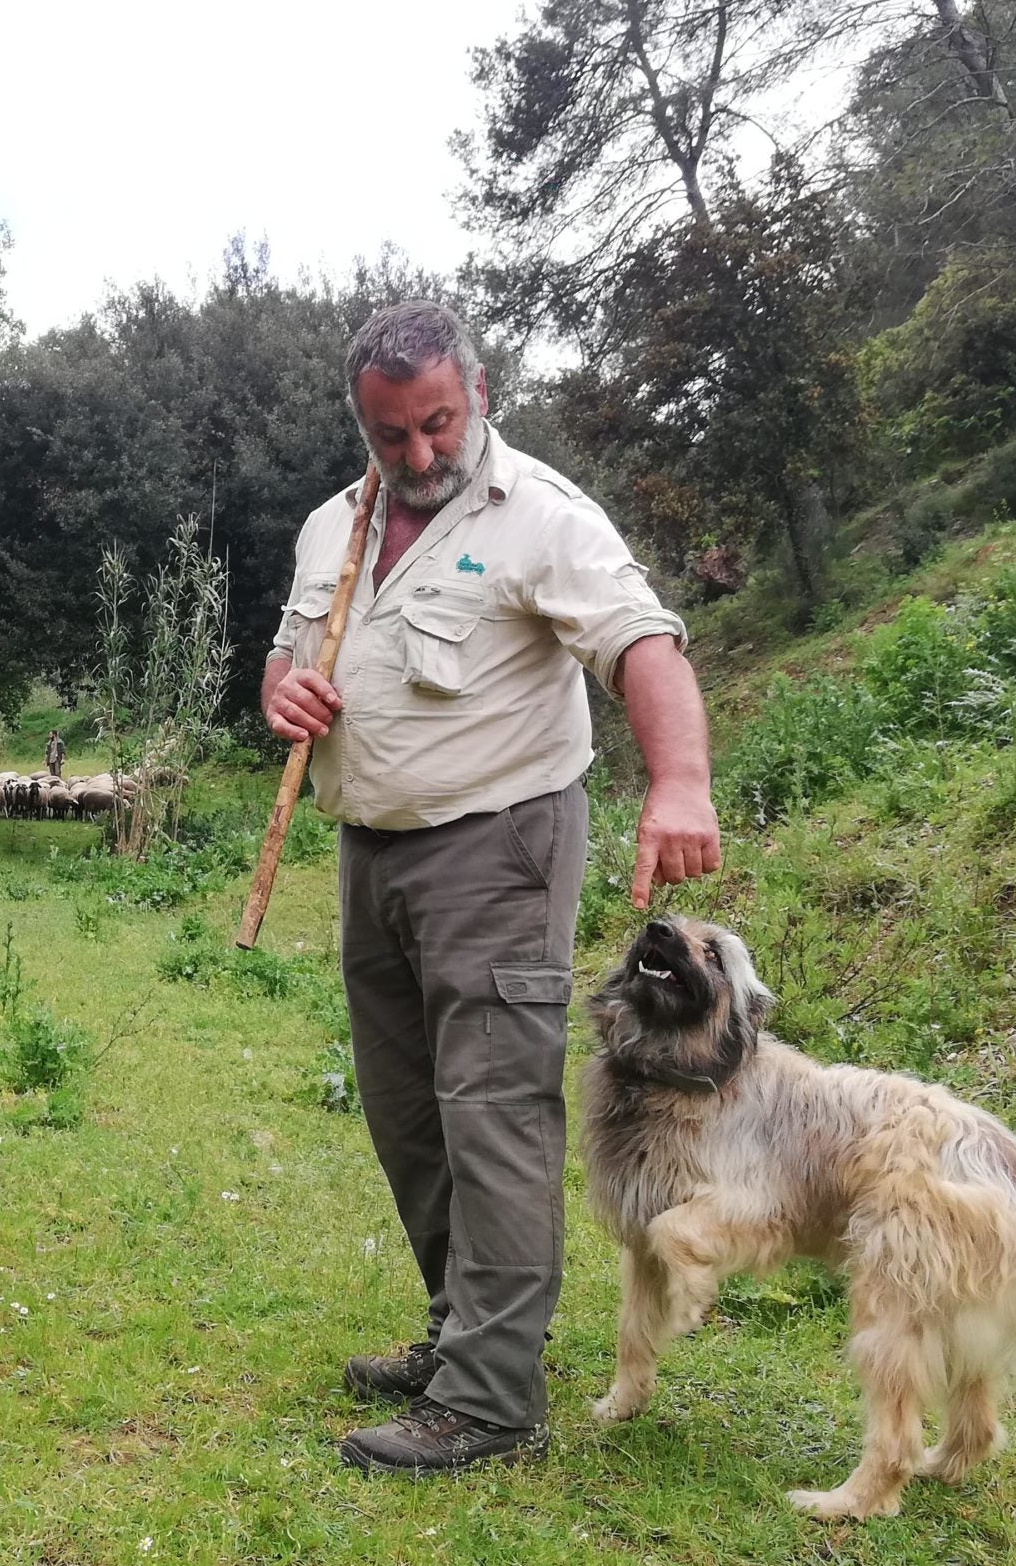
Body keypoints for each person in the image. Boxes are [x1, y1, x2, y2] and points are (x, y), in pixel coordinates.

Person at [262, 300, 721, 1474]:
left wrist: (678, 784)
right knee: (408, 1113)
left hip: (499, 849)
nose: (418, 456)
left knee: (495, 1115)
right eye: (390, 437)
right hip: (370, 853)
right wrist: (282, 694)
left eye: (438, 425)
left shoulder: (544, 519)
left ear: (477, 396)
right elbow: (290, 651)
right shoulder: (334, 525)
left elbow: (641, 645)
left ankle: (490, 1402)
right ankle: (458, 1335)